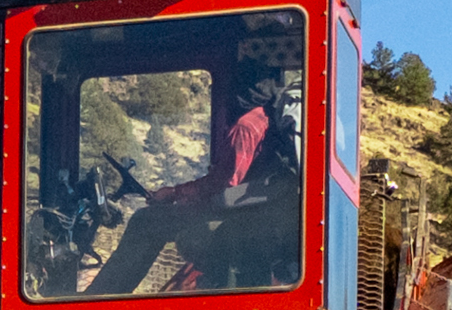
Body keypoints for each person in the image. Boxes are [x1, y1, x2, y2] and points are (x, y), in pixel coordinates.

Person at [85, 72, 299, 296]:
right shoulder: (268, 120)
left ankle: (99, 298)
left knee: (145, 221)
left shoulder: (246, 126)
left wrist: (176, 193)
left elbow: (225, 187)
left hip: (234, 216)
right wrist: (180, 197)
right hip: (251, 214)